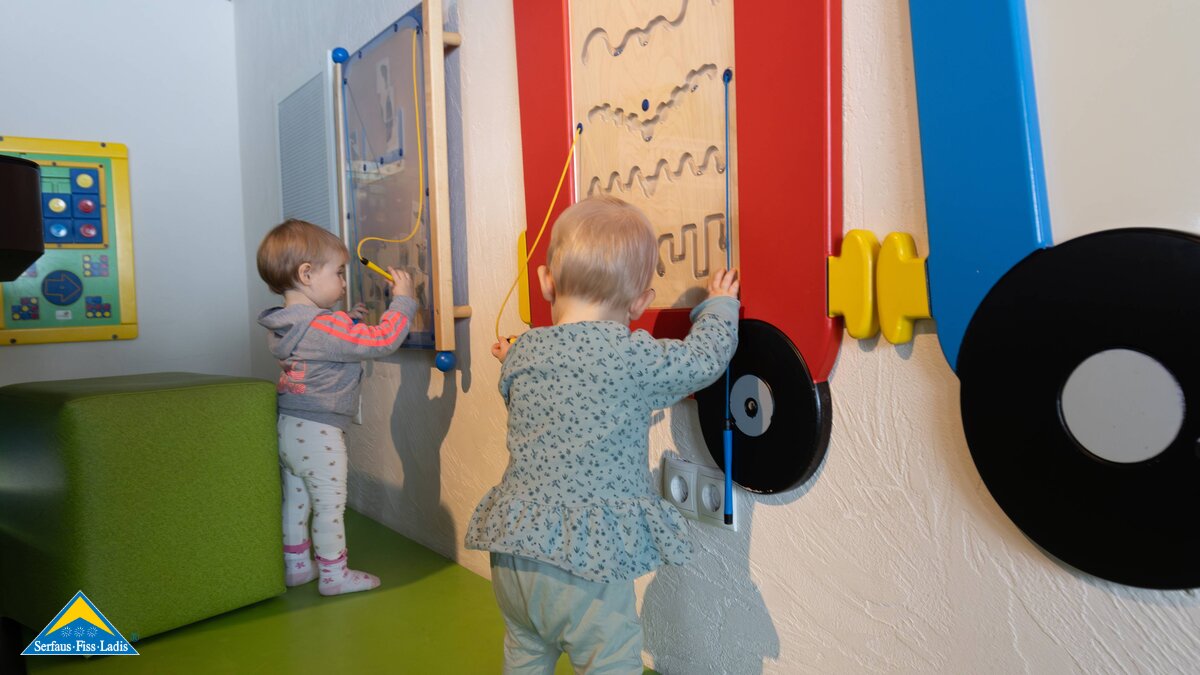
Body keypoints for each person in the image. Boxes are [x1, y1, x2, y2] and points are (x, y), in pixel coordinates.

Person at [466, 196, 740, 673]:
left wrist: (513, 352)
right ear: (640, 303)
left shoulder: (523, 351)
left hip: (514, 551)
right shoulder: (631, 357)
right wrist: (719, 308)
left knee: (526, 652)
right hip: (585, 562)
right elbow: (701, 362)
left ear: (546, 282)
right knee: (609, 659)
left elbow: (523, 395)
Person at [256, 218, 416, 596]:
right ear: (307, 274)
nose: (344, 282)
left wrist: (347, 321)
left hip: (289, 425)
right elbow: (381, 340)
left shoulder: (290, 325)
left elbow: (328, 343)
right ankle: (334, 574)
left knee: (297, 500)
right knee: (329, 503)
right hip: (320, 431)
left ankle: (296, 566)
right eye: (339, 273)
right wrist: (404, 300)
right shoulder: (323, 327)